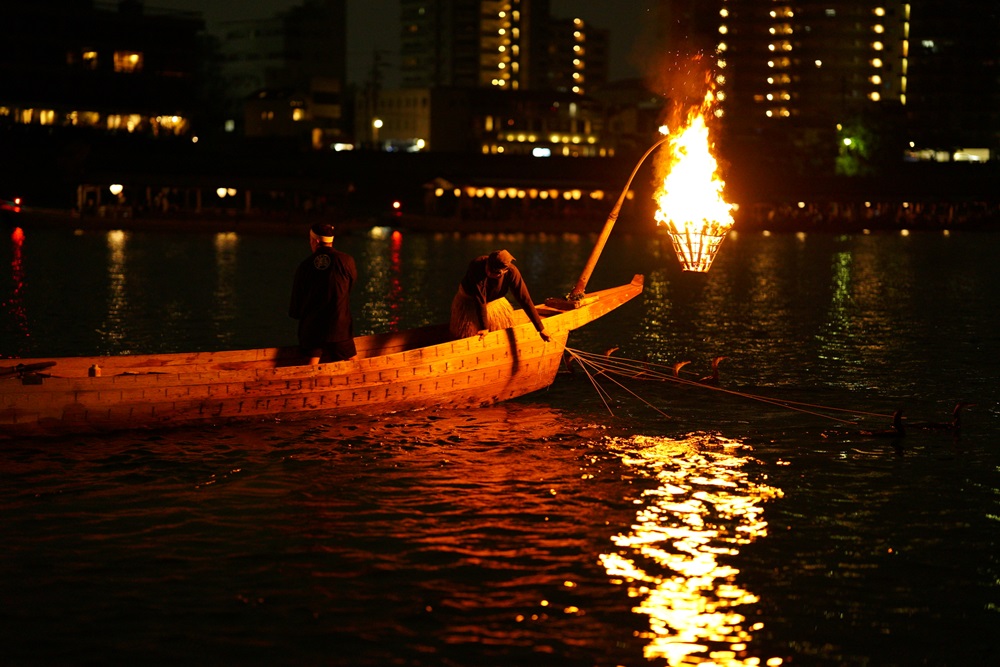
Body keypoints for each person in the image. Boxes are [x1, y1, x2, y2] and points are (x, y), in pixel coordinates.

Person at [289, 223, 357, 365]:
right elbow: (350, 287)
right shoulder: (346, 261)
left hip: (312, 329)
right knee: (352, 361)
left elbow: (296, 305)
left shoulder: (305, 266)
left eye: (310, 240)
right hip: (339, 327)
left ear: (316, 241)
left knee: (312, 359)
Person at [449, 249, 551, 342]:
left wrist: (540, 329)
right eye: (488, 268)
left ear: (504, 271)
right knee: (469, 337)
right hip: (470, 302)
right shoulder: (476, 266)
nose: (488, 273)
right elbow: (479, 298)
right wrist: (484, 327)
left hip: (495, 303)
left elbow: (525, 299)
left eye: (494, 272)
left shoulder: (512, 272)